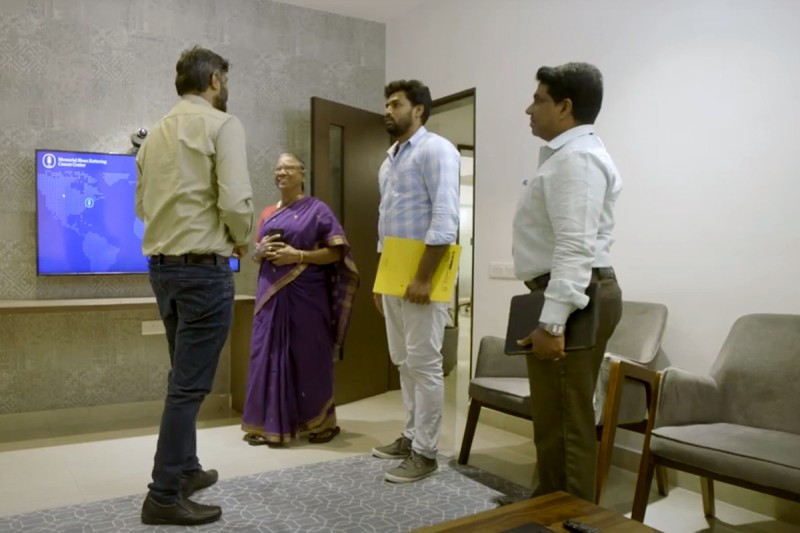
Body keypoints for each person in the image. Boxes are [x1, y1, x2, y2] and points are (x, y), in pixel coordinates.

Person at [135, 46, 254, 526]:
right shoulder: (223, 125)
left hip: (162, 270)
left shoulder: (152, 137)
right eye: (224, 79)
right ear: (214, 82)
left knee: (180, 379)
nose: (224, 86)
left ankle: (185, 470)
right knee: (188, 387)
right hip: (203, 272)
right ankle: (162, 495)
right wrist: (241, 238)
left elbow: (143, 208)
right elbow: (236, 200)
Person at [512, 62, 623, 502]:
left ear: (565, 106)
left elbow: (574, 247)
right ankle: (547, 508)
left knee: (566, 423)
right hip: (572, 293)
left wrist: (553, 322)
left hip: (577, 297)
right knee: (554, 420)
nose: (528, 109)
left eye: (538, 100)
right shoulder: (566, 157)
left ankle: (573, 520)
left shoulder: (578, 159)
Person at [371, 80, 460, 483]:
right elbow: (383, 224)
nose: (388, 110)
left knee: (424, 365)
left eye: (396, 104)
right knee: (403, 361)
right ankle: (410, 436)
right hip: (393, 274)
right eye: (387, 104)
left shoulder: (436, 149)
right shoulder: (389, 161)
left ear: (418, 110)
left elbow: (445, 217)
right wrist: (380, 280)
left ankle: (425, 453)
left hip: (424, 274)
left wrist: (424, 277)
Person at [241, 153, 359, 447]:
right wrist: (260, 252)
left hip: (307, 296)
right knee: (265, 354)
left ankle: (321, 422)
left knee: (309, 357)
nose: (281, 172)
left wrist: (299, 255)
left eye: (288, 167)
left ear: (302, 174)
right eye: (278, 168)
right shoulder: (268, 213)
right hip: (270, 293)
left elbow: (337, 252)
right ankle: (266, 423)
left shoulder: (318, 210)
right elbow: (257, 253)